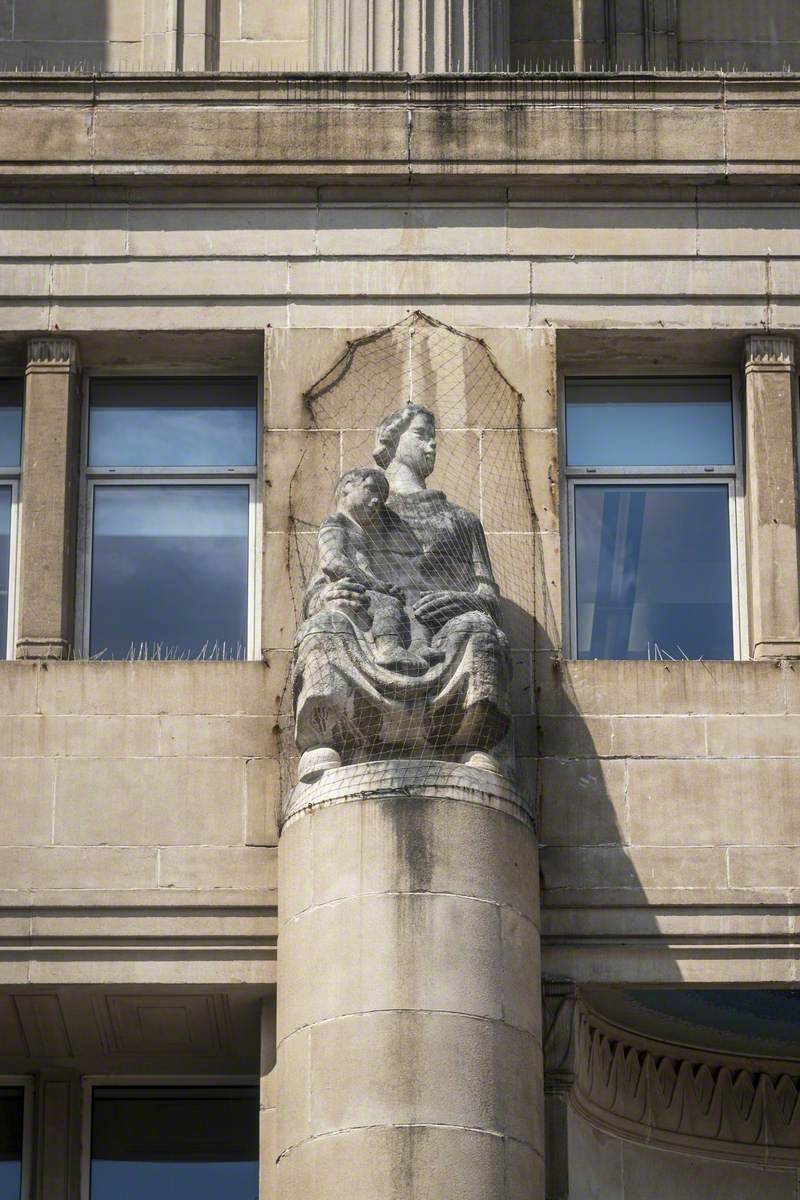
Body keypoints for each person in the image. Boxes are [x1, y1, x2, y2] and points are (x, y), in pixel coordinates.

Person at [318, 467, 430, 673]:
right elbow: (332, 562)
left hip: (364, 587)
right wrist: (376, 585)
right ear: (348, 487)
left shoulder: (359, 531)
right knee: (387, 603)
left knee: (411, 609)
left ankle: (420, 646)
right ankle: (389, 648)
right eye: (371, 489)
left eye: (382, 496)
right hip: (352, 590)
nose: (377, 501)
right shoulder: (336, 522)